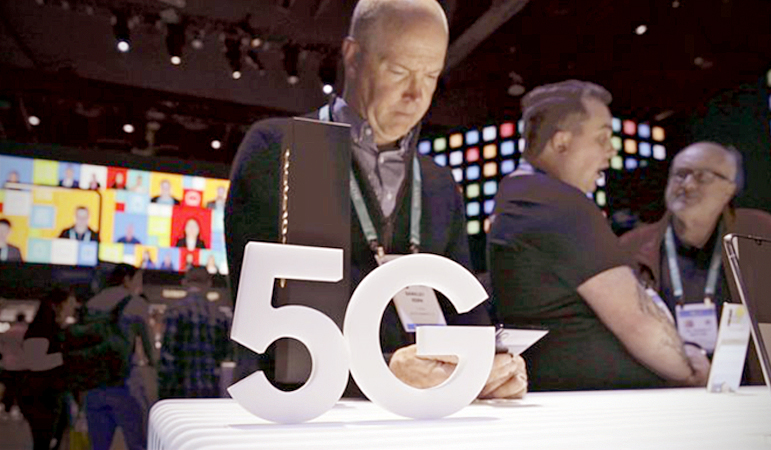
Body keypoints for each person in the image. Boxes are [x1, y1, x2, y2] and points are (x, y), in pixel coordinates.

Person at [226, 0, 526, 398]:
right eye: (399, 71)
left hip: (426, 414)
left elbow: (467, 316)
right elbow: (268, 335)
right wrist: (384, 371)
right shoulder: (283, 150)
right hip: (311, 415)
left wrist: (490, 364)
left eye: (432, 75)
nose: (416, 94)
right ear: (352, 56)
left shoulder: (437, 182)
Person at [488, 80, 710, 391]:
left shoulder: (521, 196)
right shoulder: (556, 202)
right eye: (602, 138)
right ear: (561, 142)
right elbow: (636, 321)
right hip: (604, 406)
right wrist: (689, 369)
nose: (611, 151)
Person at [620, 142, 771, 382]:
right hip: (666, 391)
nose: (687, 185)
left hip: (751, 393)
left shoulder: (762, 234)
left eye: (703, 176)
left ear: (730, 189)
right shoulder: (631, 247)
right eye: (680, 175)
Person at [83, 264, 153, 450]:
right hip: (125, 385)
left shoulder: (92, 303)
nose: (140, 285)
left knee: (98, 446)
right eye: (138, 279)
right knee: (137, 444)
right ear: (126, 279)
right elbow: (149, 349)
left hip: (94, 386)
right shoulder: (136, 304)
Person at [17, 287, 75, 450]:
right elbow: (36, 363)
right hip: (42, 395)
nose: (73, 309)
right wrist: (66, 357)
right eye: (70, 304)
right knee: (44, 441)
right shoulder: (42, 328)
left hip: (52, 393)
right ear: (57, 305)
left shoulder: (53, 328)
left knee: (52, 439)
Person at [159, 267, 231, 398]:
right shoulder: (219, 315)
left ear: (185, 282)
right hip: (210, 389)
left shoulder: (174, 310)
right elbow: (224, 353)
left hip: (180, 390)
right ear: (209, 284)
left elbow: (167, 356)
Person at [0, 313, 28, 421]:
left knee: (9, 388)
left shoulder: (8, 331)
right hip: (23, 364)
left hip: (9, 364)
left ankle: (7, 409)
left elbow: (1, 347)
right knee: (22, 388)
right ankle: (22, 410)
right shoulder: (27, 331)